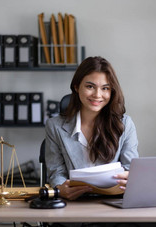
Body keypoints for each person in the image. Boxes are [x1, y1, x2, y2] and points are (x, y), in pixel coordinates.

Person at [45, 56, 139, 200]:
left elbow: (130, 168)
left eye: (105, 88)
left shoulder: (125, 124)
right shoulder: (55, 126)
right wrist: (60, 188)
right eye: (90, 86)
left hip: (114, 204)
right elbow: (56, 172)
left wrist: (130, 178)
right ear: (76, 87)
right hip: (74, 204)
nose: (97, 95)